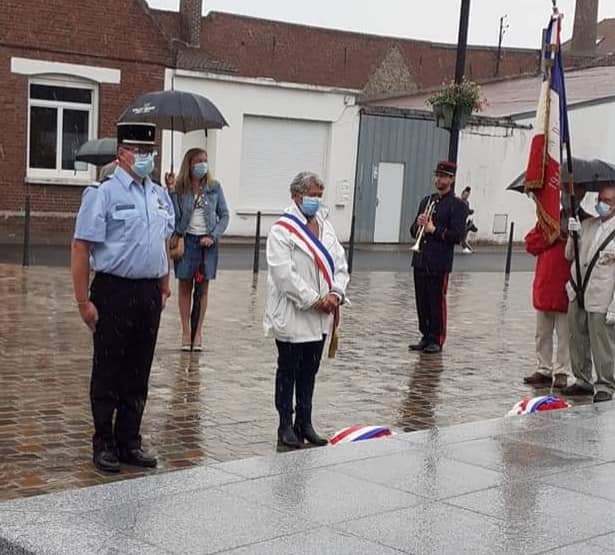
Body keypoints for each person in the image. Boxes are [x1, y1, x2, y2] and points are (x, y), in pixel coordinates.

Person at [71, 122, 175, 473]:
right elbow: (81, 246)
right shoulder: (103, 193)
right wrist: (83, 300)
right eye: (138, 150)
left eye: (150, 151)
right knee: (109, 370)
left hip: (148, 291)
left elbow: (162, 242)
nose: (145, 157)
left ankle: (130, 440)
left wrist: (164, 284)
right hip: (114, 289)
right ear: (121, 153)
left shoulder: (159, 194)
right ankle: (104, 443)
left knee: (138, 369)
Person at [264, 171, 349, 448]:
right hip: (293, 314)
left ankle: (305, 422)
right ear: (296, 196)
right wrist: (314, 299)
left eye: (319, 196)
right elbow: (283, 275)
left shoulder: (325, 226)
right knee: (288, 370)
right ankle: (285, 426)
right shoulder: (281, 230)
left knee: (309, 371)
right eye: (311, 195)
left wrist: (336, 293)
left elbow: (339, 263)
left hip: (321, 316)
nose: (316, 201)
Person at [166, 148, 229, 351]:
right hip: (187, 241)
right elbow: (174, 215)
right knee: (185, 286)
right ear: (189, 164)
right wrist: (171, 191)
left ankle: (198, 332)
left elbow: (224, 215)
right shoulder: (181, 188)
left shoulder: (214, 187)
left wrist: (213, 235)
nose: (203, 164)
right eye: (198, 161)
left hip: (207, 244)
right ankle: (185, 332)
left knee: (203, 289)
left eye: (205, 160)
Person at [562, 183, 615, 402]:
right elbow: (569, 256)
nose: (602, 204)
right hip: (578, 290)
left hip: (603, 293)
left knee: (602, 342)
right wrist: (573, 235)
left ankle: (605, 384)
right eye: (600, 199)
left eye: (608, 201)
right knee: (577, 337)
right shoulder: (587, 224)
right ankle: (582, 379)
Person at [408, 161, 466, 354]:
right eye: (437, 175)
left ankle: (437, 338)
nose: (438, 179)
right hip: (421, 259)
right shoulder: (426, 201)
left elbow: (457, 236)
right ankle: (425, 335)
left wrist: (434, 229)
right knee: (422, 301)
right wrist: (419, 224)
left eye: (443, 176)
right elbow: (412, 231)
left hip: (439, 261)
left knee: (436, 301)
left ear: (451, 179)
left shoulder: (457, 205)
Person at [522, 211, 572, 390]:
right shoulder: (546, 221)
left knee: (565, 336)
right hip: (545, 285)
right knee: (542, 333)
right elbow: (530, 245)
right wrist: (550, 236)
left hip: (566, 286)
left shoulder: (582, 220)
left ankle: (562, 371)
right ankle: (543, 368)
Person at [459, 186, 477, 253]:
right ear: (462, 194)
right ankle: (466, 248)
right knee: (462, 236)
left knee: (464, 236)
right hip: (459, 221)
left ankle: (468, 248)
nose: (466, 196)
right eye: (465, 195)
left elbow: (467, 211)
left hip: (464, 221)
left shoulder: (467, 202)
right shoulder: (459, 202)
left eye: (468, 195)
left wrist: (470, 211)